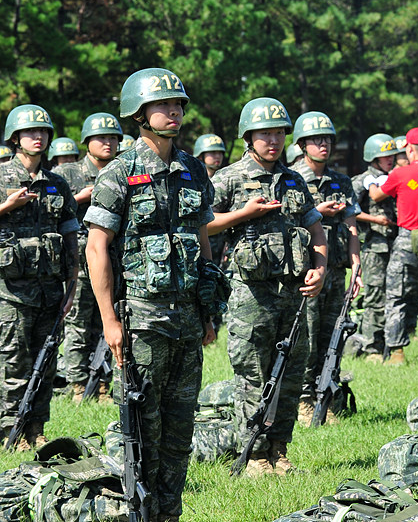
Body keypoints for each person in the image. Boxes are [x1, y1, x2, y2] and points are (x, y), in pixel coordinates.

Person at [85, 68, 218, 522]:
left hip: (186, 318)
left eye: (178, 104)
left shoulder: (193, 169)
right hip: (141, 321)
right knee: (143, 431)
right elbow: (97, 246)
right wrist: (109, 321)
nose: (174, 111)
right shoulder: (120, 171)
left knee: (181, 432)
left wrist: (207, 306)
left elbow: (201, 238)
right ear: (139, 114)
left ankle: (170, 515)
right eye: (163, 105)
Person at [208, 97, 326, 475]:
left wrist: (320, 268)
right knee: (253, 374)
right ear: (248, 136)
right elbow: (202, 226)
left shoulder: (293, 180)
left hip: (293, 295)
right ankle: (255, 454)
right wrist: (243, 214)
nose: (273, 140)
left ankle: (279, 449)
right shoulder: (227, 178)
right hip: (250, 296)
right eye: (265, 133)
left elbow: (316, 228)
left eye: (278, 133)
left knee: (290, 375)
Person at [0, 104, 79, 450]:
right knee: (13, 361)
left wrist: (72, 284)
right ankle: (10, 431)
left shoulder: (57, 184)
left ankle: (36, 428)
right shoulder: (1, 178)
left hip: (50, 291)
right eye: (31, 132)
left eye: (44, 132)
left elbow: (71, 235)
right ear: (16, 137)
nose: (39, 137)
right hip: (10, 293)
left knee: (45, 362)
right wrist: (6, 206)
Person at [290, 111, 361, 422]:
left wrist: (357, 262)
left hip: (337, 270)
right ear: (303, 144)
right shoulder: (292, 178)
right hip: (307, 271)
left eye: (327, 140)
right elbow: (285, 223)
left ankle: (327, 395)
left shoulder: (340, 181)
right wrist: (316, 211)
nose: (323, 145)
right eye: (316, 140)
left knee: (333, 335)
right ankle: (304, 399)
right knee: (306, 336)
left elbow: (352, 225)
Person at [369, 127, 418, 365]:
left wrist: (370, 182)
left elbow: (376, 196)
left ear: (410, 149)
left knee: (397, 295)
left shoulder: (400, 174)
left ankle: (396, 352)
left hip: (408, 239)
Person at [58, 112, 122, 403]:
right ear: (87, 141)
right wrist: (80, 197)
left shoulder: (124, 169)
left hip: (116, 259)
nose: (108, 143)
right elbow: (51, 210)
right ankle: (76, 385)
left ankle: (103, 384)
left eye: (113, 137)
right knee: (80, 324)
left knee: (108, 321)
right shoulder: (68, 173)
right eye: (101, 137)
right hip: (81, 262)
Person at [347, 133, 401, 361]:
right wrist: (375, 220)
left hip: (395, 244)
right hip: (373, 246)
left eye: (391, 155)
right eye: (384, 156)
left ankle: (392, 345)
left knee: (394, 296)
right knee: (375, 297)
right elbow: (349, 210)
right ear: (373, 157)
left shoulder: (396, 177)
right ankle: (372, 346)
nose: (389, 159)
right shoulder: (361, 180)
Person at [193, 133, 228, 265]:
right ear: (201, 155)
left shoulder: (225, 180)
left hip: (221, 243)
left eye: (219, 152)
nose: (217, 156)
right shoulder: (193, 181)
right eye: (212, 153)